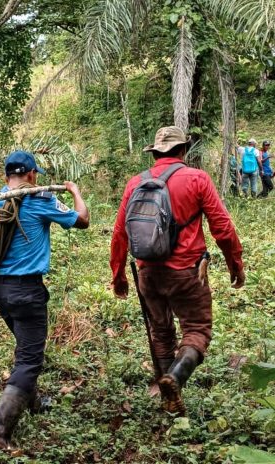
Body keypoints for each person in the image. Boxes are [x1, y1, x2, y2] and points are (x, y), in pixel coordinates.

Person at [110, 126, 245, 415]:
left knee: (160, 332)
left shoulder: (135, 183)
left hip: (147, 273)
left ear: (156, 153)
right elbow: (222, 227)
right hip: (187, 272)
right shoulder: (197, 178)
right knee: (196, 330)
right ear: (182, 150)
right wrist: (236, 263)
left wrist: (118, 275)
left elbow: (120, 233)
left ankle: (167, 398)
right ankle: (175, 378)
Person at [0, 151, 89, 449]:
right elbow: (82, 220)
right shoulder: (40, 200)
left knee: (25, 346)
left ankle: (34, 400)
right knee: (30, 359)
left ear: (6, 177)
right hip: (27, 292)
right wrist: (76, 193)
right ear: (31, 175)